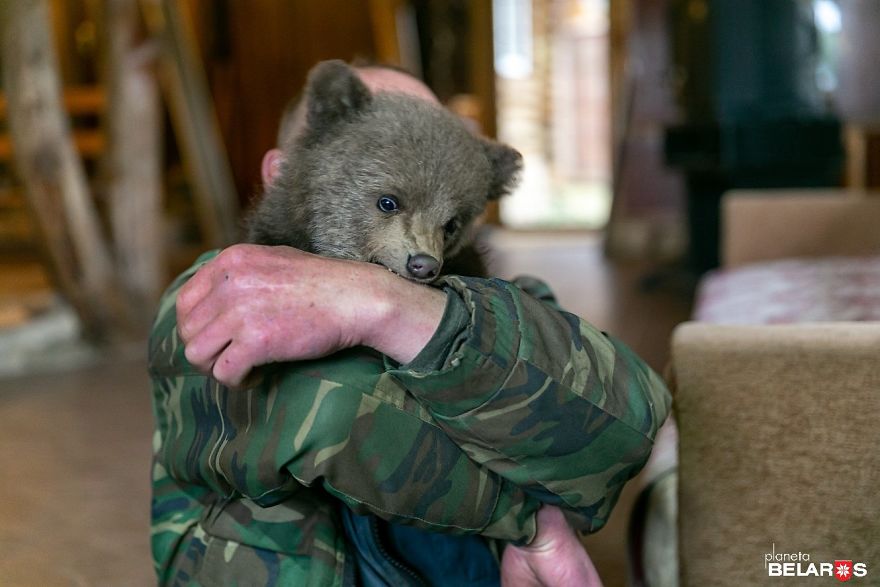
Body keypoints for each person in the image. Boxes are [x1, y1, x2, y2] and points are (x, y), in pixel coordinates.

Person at [149, 62, 671, 586]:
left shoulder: (505, 302)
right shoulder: (216, 296)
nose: (427, 257)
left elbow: (626, 427)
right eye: (388, 204)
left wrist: (391, 307)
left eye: (447, 227)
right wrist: (536, 522)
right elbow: (341, 422)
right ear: (280, 171)